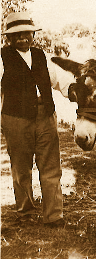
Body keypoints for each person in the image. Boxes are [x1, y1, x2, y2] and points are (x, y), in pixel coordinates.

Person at [1, 12, 70, 227]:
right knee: (21, 169)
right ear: (8, 39)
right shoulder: (2, 59)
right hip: (16, 119)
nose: (22, 39)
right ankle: (26, 214)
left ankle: (54, 216)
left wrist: (76, 91)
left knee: (51, 167)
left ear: (33, 35)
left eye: (26, 34)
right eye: (17, 35)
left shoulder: (43, 56)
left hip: (45, 117)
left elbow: (62, 81)